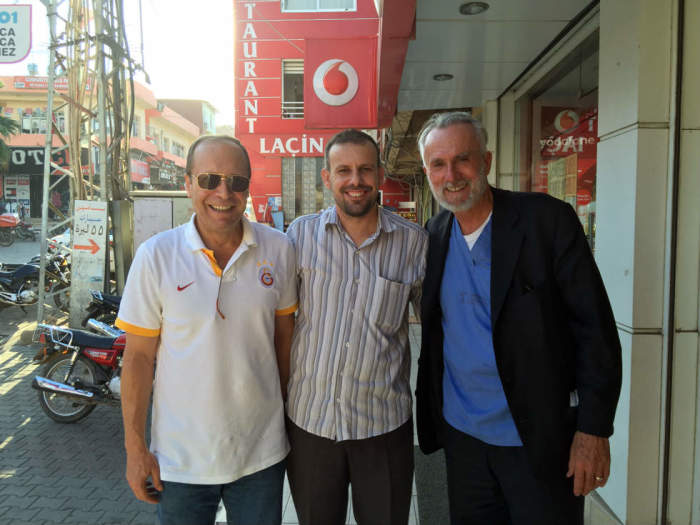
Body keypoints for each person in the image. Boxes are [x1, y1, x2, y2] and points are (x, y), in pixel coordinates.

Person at [415, 111, 622, 525]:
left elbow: (594, 330)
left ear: (486, 162)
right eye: (439, 164)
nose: (451, 174)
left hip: (539, 441)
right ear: (427, 172)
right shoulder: (435, 234)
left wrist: (593, 430)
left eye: (463, 159)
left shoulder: (545, 221)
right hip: (465, 440)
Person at [116, 135, 297, 525]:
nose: (223, 193)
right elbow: (138, 359)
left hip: (260, 457)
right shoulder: (156, 257)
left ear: (249, 187)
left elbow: (284, 342)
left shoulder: (279, 249)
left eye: (237, 181)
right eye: (210, 179)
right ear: (187, 183)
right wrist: (135, 448)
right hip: (180, 463)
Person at [285, 129, 428, 525]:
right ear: (326, 177)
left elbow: (439, 330)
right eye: (343, 170)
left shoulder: (414, 243)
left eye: (365, 169)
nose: (355, 180)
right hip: (311, 425)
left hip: (383, 427)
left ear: (380, 174)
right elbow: (277, 322)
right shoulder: (299, 236)